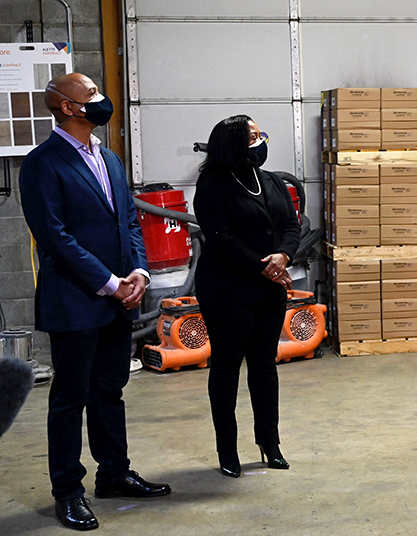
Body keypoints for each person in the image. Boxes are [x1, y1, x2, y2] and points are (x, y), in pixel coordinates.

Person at [19, 73, 171, 531]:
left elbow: (128, 217)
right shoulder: (42, 164)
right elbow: (55, 238)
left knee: (110, 391)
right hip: (77, 299)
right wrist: (109, 281)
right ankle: (67, 491)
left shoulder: (110, 158)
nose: (101, 100)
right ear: (67, 107)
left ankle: (114, 473)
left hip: (119, 297)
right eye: (91, 95)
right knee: (69, 399)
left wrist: (140, 272)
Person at [193, 115, 301, 478]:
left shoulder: (270, 181)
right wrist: (263, 265)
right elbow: (220, 237)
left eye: (261, 135)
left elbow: (291, 224)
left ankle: (269, 443)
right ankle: (228, 450)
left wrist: (283, 255)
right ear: (233, 144)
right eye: (252, 137)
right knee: (226, 367)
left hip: (268, 289)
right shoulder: (212, 185)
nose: (259, 142)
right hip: (227, 290)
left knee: (264, 365)